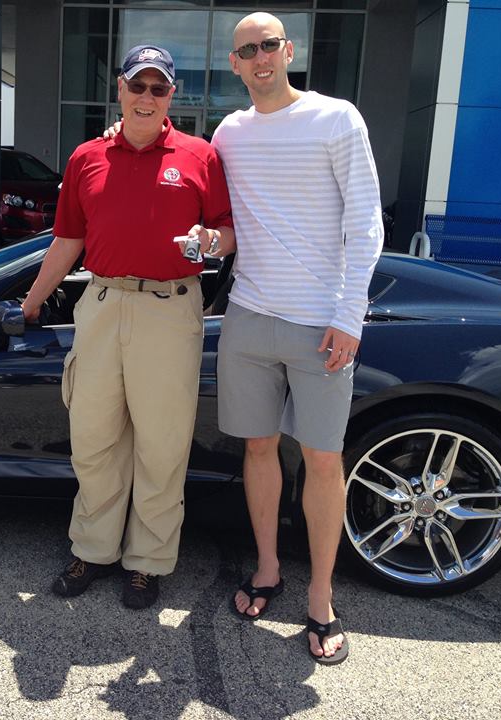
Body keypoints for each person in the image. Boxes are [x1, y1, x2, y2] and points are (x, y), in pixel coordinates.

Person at [22, 44, 235, 610]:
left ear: (172, 97)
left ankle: (147, 561)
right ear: (119, 88)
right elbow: (66, 241)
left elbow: (227, 229)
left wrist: (213, 242)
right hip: (102, 302)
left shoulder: (200, 155)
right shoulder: (87, 156)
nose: (146, 97)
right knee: (93, 438)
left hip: (170, 307)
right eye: (137, 86)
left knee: (161, 446)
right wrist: (31, 303)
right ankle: (92, 549)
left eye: (158, 88)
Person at [214, 12, 383, 664]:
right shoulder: (230, 132)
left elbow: (366, 222)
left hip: (322, 326)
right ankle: (266, 569)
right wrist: (126, 126)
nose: (259, 59)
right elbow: (188, 166)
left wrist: (350, 316)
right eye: (246, 51)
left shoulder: (336, 118)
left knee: (321, 459)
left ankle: (319, 596)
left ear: (289, 50)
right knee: (258, 448)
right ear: (234, 63)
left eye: (268, 46)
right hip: (249, 317)